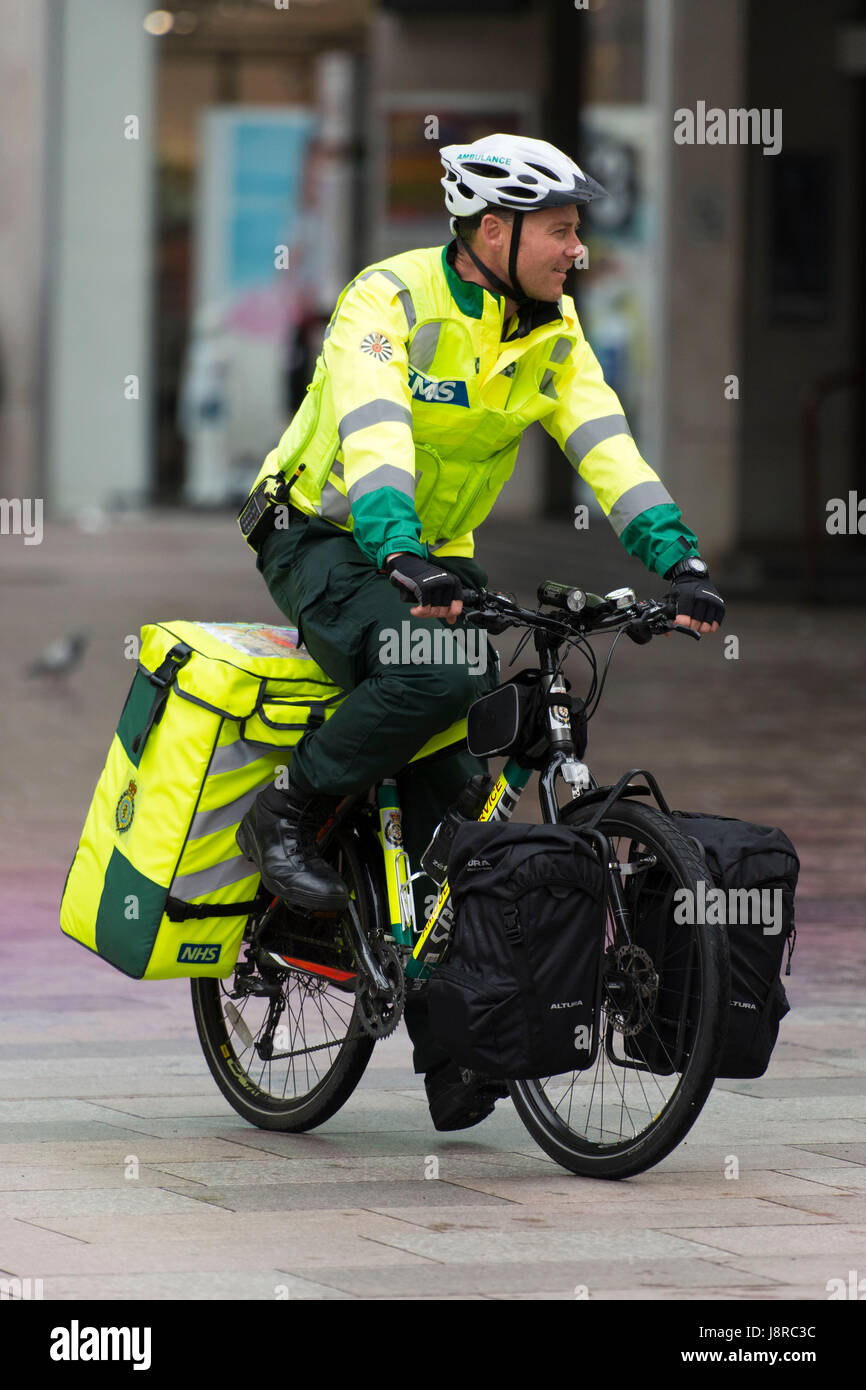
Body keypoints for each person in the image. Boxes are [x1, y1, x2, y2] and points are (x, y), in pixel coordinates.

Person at [236, 133, 725, 1131]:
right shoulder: (389, 300)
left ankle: (454, 1040)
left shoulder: (549, 329)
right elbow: (372, 423)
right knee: (440, 668)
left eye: (577, 229)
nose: (574, 248)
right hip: (323, 531)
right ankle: (287, 807)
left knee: (459, 798)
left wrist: (674, 560)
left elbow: (601, 440)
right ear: (490, 230)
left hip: (429, 550)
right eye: (558, 229)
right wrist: (396, 548)